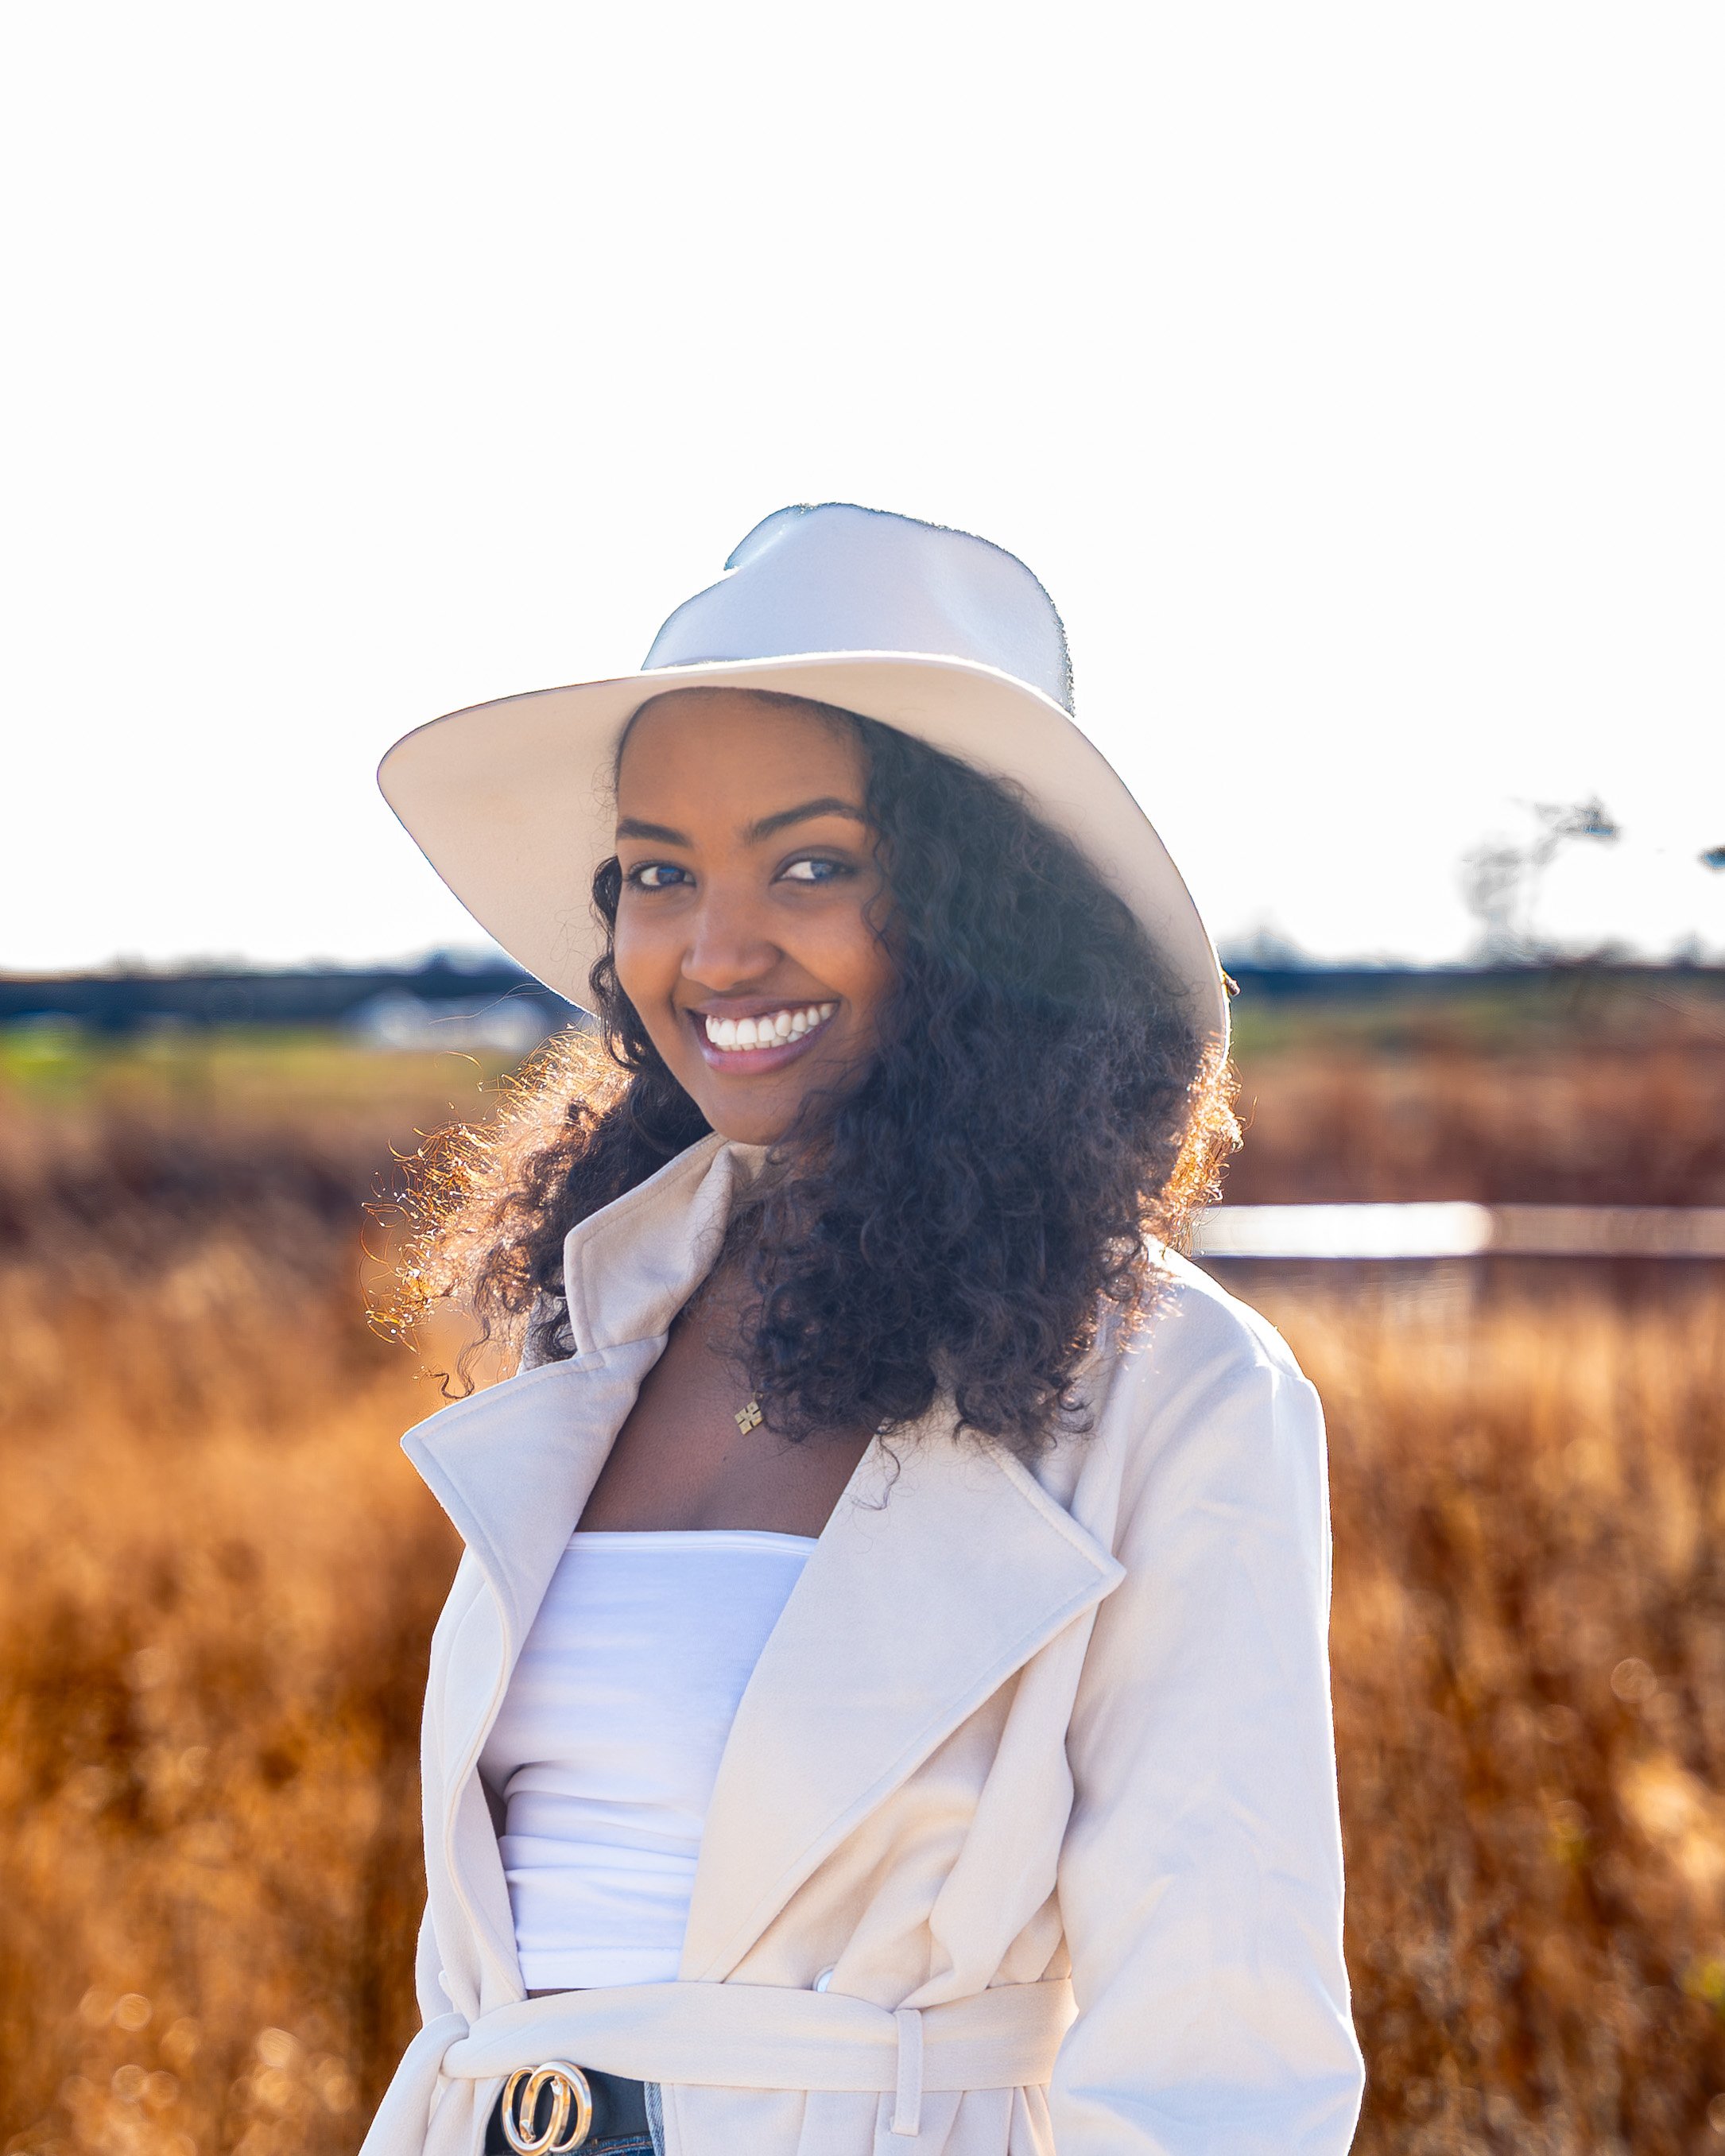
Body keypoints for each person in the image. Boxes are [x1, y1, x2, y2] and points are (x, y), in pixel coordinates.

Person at [361, 504, 1365, 2156]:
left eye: (812, 862)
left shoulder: (1170, 1388)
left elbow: (1215, 2060)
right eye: (658, 873)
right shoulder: (596, 1338)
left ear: (986, 919)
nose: (716, 945)